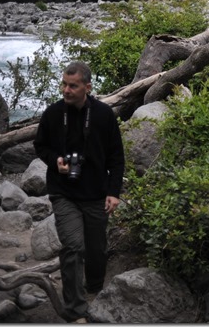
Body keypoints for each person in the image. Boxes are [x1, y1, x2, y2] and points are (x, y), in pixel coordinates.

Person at [34, 61, 125, 321]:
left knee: (96, 248)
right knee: (73, 246)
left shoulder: (104, 115)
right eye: (64, 83)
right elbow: (40, 146)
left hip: (96, 193)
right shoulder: (52, 114)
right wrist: (56, 161)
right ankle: (75, 310)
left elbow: (116, 157)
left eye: (72, 85)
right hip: (63, 192)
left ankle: (95, 286)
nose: (66, 89)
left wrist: (113, 191)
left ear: (87, 87)